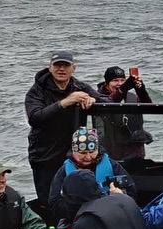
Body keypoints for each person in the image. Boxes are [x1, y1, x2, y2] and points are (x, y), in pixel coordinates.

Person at [25, 50, 108, 205]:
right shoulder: (36, 91)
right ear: (50, 68)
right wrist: (64, 103)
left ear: (73, 68)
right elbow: (35, 118)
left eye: (65, 65)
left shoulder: (79, 87)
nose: (61, 69)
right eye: (57, 65)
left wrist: (92, 100)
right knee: (49, 200)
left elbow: (108, 102)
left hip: (76, 154)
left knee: (78, 197)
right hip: (45, 155)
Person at [46, 127, 137, 229]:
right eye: (83, 153)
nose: (88, 157)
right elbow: (54, 203)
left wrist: (120, 196)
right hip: (78, 221)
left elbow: (131, 192)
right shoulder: (64, 171)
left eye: (92, 152)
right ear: (74, 151)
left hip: (112, 217)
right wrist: (79, 206)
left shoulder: (112, 165)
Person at [97, 65, 153, 160]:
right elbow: (110, 102)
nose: (119, 84)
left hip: (134, 147)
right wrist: (123, 89)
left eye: (122, 80)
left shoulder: (132, 97)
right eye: (115, 81)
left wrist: (140, 90)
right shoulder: (99, 98)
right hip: (110, 147)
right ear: (107, 83)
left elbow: (149, 107)